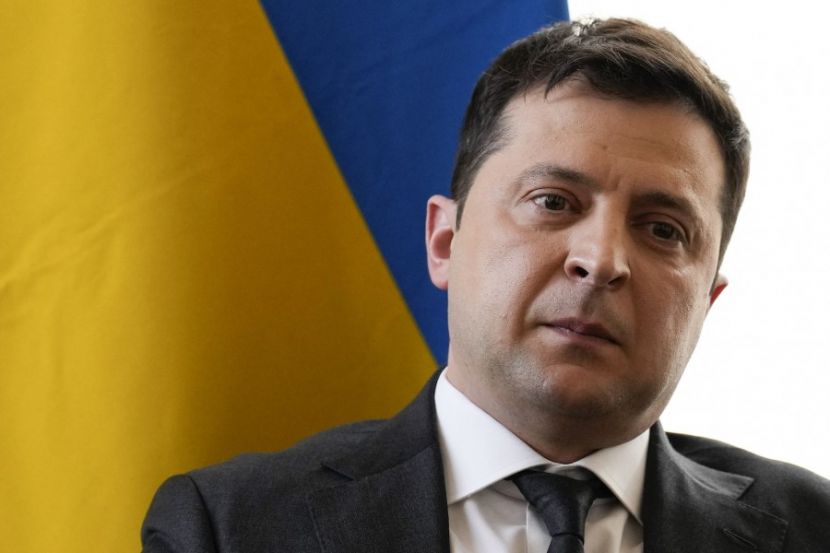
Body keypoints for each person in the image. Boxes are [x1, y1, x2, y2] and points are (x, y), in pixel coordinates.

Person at [141, 18, 830, 553]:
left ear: (706, 301)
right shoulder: (229, 528)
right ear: (445, 242)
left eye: (662, 229)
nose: (601, 260)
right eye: (553, 201)